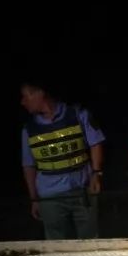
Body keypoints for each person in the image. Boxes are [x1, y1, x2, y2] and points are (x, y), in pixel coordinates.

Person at [20, 79, 105, 239]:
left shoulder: (78, 114)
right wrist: (34, 198)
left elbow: (96, 142)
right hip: (50, 197)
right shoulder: (29, 129)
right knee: (56, 247)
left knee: (90, 245)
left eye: (26, 96)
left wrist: (96, 173)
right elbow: (28, 166)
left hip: (82, 190)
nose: (23, 102)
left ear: (40, 93)